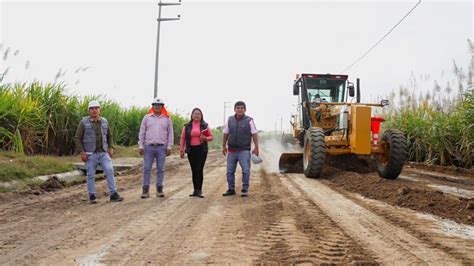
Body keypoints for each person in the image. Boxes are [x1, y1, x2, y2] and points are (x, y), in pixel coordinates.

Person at [74, 100, 124, 204]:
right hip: (90, 154)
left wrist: (110, 147)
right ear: (89, 111)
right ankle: (92, 196)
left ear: (99, 110)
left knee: (110, 171)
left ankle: (113, 194)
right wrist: (82, 152)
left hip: (103, 153)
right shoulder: (83, 122)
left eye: (96, 108)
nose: (94, 111)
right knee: (90, 175)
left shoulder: (104, 121)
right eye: (92, 109)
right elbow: (78, 138)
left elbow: (109, 135)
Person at [222, 101, 259, 197]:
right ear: (235, 109)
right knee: (230, 171)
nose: (240, 109)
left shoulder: (249, 120)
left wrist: (256, 147)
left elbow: (254, 133)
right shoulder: (230, 120)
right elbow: (225, 133)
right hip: (231, 151)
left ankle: (245, 189)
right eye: (238, 108)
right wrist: (223, 146)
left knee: (246, 170)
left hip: (244, 150)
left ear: (245, 110)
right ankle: (231, 189)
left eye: (242, 108)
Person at [138, 98, 174, 198]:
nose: (157, 107)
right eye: (155, 105)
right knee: (147, 169)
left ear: (163, 107)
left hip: (162, 147)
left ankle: (159, 189)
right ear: (152, 106)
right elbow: (142, 132)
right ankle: (145, 190)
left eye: (159, 105)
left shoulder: (167, 118)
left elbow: (170, 133)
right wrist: (140, 145)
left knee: (161, 169)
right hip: (148, 147)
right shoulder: (147, 117)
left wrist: (169, 146)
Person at [179, 108, 213, 198]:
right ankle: (195, 190)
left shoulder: (205, 125)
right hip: (191, 150)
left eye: (198, 114)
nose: (197, 115)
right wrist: (181, 149)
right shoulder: (187, 126)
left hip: (201, 150)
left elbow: (211, 137)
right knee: (194, 170)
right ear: (192, 115)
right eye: (195, 113)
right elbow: (183, 139)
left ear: (201, 116)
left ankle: (199, 190)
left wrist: (205, 138)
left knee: (199, 169)